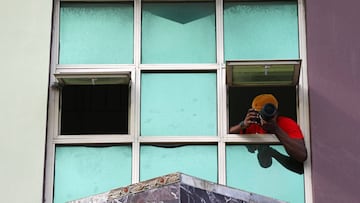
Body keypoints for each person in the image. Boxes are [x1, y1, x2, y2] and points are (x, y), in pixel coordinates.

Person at [230, 94, 307, 163]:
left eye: (269, 113)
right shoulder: (252, 124)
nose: (265, 116)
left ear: (276, 113)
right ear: (254, 113)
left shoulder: (285, 123)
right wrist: (242, 125)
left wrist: (276, 129)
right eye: (260, 113)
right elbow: (225, 136)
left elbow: (301, 155)